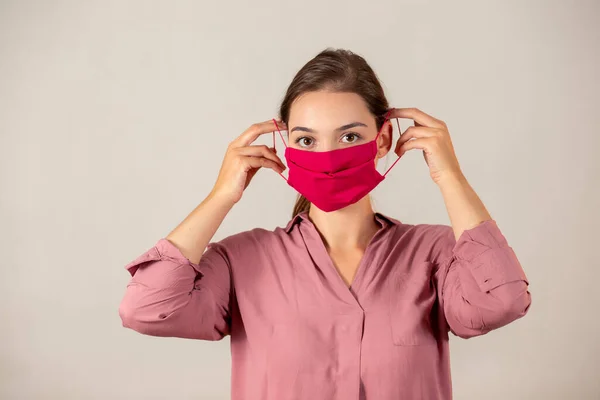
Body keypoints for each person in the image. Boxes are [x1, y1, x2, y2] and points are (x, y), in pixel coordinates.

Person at [118, 48, 531, 400]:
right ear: (286, 146)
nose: (328, 154)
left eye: (350, 136)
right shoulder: (242, 259)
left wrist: (450, 178)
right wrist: (221, 195)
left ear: (383, 140)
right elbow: (145, 309)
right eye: (306, 140)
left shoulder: (435, 254)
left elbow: (502, 302)